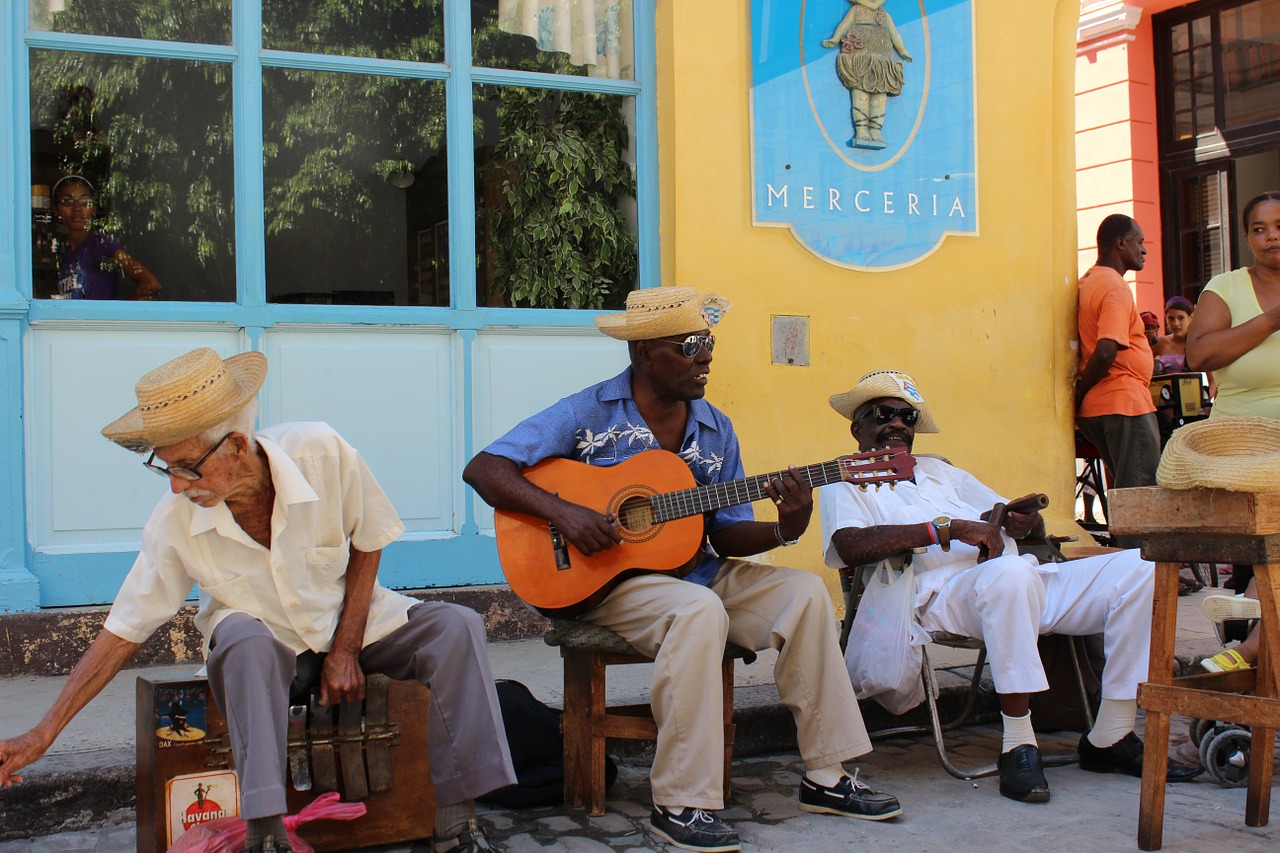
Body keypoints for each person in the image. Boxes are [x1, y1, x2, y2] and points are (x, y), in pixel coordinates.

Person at [0, 348, 514, 853]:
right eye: (165, 469)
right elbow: (125, 627)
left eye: (187, 468)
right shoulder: (175, 520)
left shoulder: (322, 452)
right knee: (242, 636)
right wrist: (43, 733)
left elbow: (370, 536)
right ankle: (266, 834)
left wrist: (346, 648)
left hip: (348, 627)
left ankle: (457, 825)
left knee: (457, 626)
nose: (177, 485)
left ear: (238, 447)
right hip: (266, 655)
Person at [463, 287, 901, 853]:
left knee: (804, 592)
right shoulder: (587, 411)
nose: (705, 357)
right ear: (645, 353)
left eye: (709, 343)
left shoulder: (716, 429)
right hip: (607, 583)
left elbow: (725, 532)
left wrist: (786, 525)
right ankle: (681, 802)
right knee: (697, 610)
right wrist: (564, 512)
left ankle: (827, 775)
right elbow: (485, 468)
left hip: (694, 571)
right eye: (690, 345)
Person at [820, 369, 1201, 805]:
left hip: (1015, 581)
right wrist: (945, 528)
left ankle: (1110, 734)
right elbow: (848, 545)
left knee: (1143, 567)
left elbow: (1002, 516)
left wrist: (1026, 519)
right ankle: (1018, 742)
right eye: (883, 414)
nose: (898, 425)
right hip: (934, 594)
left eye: (907, 417)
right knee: (1011, 574)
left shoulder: (942, 471)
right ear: (857, 427)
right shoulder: (842, 477)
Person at [1185, 190, 1280, 674]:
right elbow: (1198, 356)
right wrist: (1270, 321)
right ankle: (1249, 647)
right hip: (1244, 446)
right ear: (1246, 238)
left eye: (1278, 225)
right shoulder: (1227, 287)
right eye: (1259, 229)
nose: (1271, 236)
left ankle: (1247, 651)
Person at [1076, 213, 1160, 548]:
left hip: (1106, 406)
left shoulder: (1089, 280)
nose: (1144, 250)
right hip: (1123, 402)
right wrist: (1080, 391)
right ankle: (1145, 574)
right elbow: (1106, 350)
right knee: (1140, 495)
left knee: (1125, 495)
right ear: (1120, 243)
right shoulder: (1113, 285)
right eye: (1139, 242)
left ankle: (1134, 568)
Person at [821, 0, 913, 150]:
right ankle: (862, 130)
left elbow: (894, 33)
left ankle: (876, 131)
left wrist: (902, 51)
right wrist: (835, 39)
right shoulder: (856, 11)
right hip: (860, 59)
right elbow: (844, 25)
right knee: (860, 93)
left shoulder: (884, 15)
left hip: (881, 61)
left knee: (880, 95)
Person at [52, 175, 161, 300]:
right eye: (67, 202)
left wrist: (118, 315)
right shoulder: (64, 254)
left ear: (94, 208)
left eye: (85, 202)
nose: (77, 209)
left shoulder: (101, 243)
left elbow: (151, 284)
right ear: (55, 209)